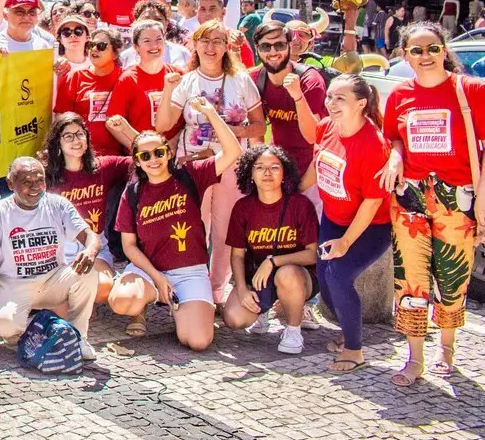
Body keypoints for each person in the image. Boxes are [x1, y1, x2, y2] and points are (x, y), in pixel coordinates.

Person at [379, 23, 485, 386]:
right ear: (405, 55)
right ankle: (415, 357)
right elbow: (393, 136)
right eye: (416, 51)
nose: (425, 57)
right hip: (409, 198)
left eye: (432, 49)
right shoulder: (398, 95)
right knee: (410, 279)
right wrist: (394, 156)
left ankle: (447, 347)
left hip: (457, 198)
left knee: (452, 277)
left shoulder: (470, 90)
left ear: (444, 51)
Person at [108, 100, 241, 350]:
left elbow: (232, 152)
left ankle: (180, 308)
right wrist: (158, 278)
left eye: (159, 152)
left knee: (198, 341)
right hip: (151, 271)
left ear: (168, 153)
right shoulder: (133, 192)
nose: (153, 160)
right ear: (137, 161)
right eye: (145, 156)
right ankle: (150, 299)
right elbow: (129, 246)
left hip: (190, 272)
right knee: (123, 301)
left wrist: (211, 113)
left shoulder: (191, 175)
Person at [155, 21, 266, 301]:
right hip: (192, 162)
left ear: (227, 46)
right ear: (195, 44)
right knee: (193, 226)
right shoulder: (187, 80)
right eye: (204, 40)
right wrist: (168, 90)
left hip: (232, 163)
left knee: (225, 229)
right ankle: (193, 288)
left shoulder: (241, 81)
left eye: (217, 41)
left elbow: (258, 126)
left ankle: (217, 290)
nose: (211, 47)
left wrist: (226, 131)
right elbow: (163, 124)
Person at [0, 157, 101, 358]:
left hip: (52, 279)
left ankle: (78, 336)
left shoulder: (58, 204)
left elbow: (90, 236)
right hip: (14, 285)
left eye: (40, 180)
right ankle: (44, 329)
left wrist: (90, 250)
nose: (35, 187)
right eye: (27, 182)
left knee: (88, 274)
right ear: (11, 183)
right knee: (5, 327)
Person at [307, 74, 393, 374]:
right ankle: (346, 327)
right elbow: (316, 165)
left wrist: (345, 243)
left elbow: (371, 204)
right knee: (324, 275)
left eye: (339, 98)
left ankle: (355, 349)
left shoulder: (373, 145)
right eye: (329, 96)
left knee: (339, 274)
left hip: (371, 226)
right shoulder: (326, 127)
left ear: (361, 103)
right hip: (334, 217)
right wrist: (292, 189)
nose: (330, 103)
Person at [220, 146, 318, 354]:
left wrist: (273, 261)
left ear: (285, 173)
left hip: (300, 275)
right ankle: (262, 311)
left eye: (275, 167)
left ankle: (293, 329)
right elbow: (237, 255)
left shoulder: (300, 204)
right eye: (260, 167)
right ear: (250, 173)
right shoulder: (243, 207)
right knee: (235, 318)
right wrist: (241, 289)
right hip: (259, 277)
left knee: (287, 273)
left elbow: (312, 253)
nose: (267, 173)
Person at [42, 114, 131, 305]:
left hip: (95, 246)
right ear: (57, 142)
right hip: (59, 248)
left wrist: (126, 130)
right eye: (68, 136)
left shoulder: (103, 167)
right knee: (58, 291)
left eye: (80, 134)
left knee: (102, 289)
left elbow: (145, 159)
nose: (76, 140)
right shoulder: (45, 175)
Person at [251, 21, 327, 196]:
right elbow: (257, 131)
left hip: (312, 172)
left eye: (279, 45)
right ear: (257, 49)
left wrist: (298, 96)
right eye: (265, 46)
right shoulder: (255, 78)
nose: (273, 52)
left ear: (289, 46)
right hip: (278, 169)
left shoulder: (309, 80)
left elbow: (312, 136)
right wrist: (261, 171)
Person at [105, 20, 179, 146]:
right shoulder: (127, 79)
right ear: (136, 47)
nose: (154, 46)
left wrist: (175, 143)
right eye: (147, 41)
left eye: (158, 39)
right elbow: (112, 122)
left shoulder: (178, 74)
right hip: (143, 157)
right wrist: (138, 148)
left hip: (174, 153)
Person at [54, 26, 125, 154]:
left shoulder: (126, 78)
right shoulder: (74, 77)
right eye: (91, 45)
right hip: (82, 155)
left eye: (101, 46)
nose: (94, 49)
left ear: (115, 52)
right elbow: (61, 118)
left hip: (119, 155)